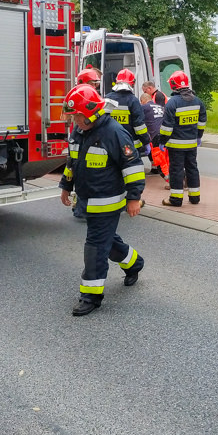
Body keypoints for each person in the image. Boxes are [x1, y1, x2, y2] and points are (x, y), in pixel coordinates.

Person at [59, 83, 146, 316]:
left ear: (91, 112)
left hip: (108, 202)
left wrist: (134, 198)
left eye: (77, 116)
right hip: (88, 200)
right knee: (108, 242)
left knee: (96, 246)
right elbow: (72, 162)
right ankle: (135, 263)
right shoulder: (79, 132)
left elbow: (133, 167)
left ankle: (91, 296)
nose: (74, 121)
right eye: (73, 116)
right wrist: (66, 186)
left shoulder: (114, 132)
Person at [159, 71, 206, 206]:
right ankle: (195, 197)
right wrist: (198, 136)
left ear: (174, 85)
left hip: (176, 145)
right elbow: (202, 122)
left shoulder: (172, 103)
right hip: (192, 144)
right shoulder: (198, 101)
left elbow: (167, 127)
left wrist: (162, 141)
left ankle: (176, 199)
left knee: (176, 170)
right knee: (192, 168)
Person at [106, 69, 151, 155]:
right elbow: (139, 125)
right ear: (132, 83)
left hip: (111, 144)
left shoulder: (107, 98)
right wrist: (146, 141)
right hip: (130, 145)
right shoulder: (133, 101)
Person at [140, 92, 169, 184]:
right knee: (169, 160)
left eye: (141, 101)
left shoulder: (144, 107)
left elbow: (138, 121)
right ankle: (181, 180)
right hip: (167, 135)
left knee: (160, 162)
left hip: (156, 137)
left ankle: (173, 183)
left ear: (143, 100)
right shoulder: (160, 107)